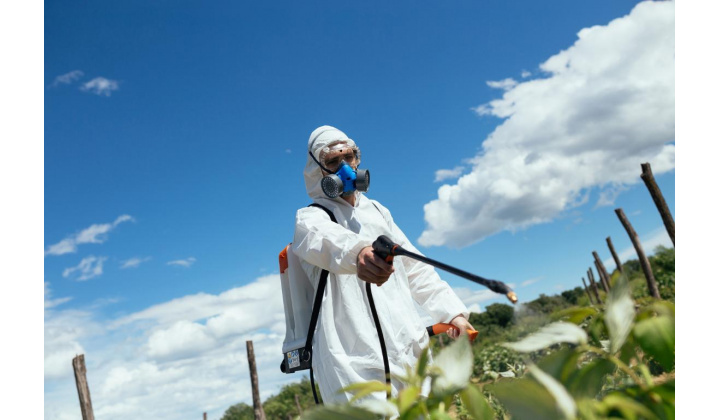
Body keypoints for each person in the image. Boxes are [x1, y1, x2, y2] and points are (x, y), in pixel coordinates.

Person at [292, 125, 474, 405]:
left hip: (408, 350)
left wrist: (452, 313)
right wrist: (359, 253)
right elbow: (327, 242)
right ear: (319, 170)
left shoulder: (378, 211)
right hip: (355, 364)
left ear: (358, 158)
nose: (345, 167)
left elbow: (416, 267)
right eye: (333, 162)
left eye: (349, 157)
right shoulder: (310, 219)